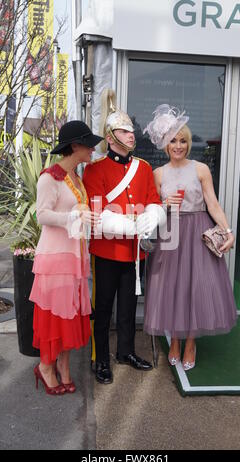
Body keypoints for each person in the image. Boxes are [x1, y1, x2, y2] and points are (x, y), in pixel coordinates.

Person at [143, 104, 237, 371]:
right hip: (170, 233)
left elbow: (213, 205)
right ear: (165, 143)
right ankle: (174, 339)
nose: (178, 145)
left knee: (196, 288)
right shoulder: (158, 174)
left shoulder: (201, 169)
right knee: (171, 288)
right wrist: (164, 205)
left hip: (197, 232)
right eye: (173, 140)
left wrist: (228, 232)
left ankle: (191, 342)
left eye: (183, 140)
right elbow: (151, 211)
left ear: (188, 142)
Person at [83, 89, 166, 384]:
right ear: (111, 137)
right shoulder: (94, 170)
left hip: (134, 254)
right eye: (124, 131)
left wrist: (152, 217)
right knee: (103, 308)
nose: (132, 136)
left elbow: (154, 201)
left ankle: (126, 352)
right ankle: (101, 359)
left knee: (129, 307)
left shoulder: (143, 168)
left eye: (132, 131)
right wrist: (134, 225)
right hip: (106, 252)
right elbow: (98, 215)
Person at [29, 121, 103, 395]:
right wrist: (74, 216)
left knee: (68, 315)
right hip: (55, 258)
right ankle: (46, 366)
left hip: (74, 256)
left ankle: (63, 366)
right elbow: (42, 215)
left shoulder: (75, 177)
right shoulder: (50, 177)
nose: (93, 148)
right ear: (75, 146)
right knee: (55, 316)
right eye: (89, 143)